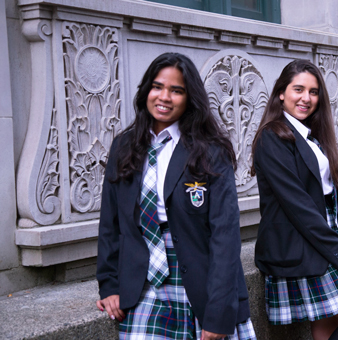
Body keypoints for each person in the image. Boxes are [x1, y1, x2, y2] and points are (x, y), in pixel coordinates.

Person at [96, 52, 256, 340]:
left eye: (177, 90)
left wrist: (218, 313)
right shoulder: (123, 146)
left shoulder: (211, 150)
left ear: (189, 97)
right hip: (144, 284)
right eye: (157, 87)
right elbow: (111, 224)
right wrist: (109, 285)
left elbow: (225, 234)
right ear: (146, 90)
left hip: (203, 281)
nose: (164, 97)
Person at [252, 59, 338, 340]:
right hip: (300, 248)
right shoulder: (271, 137)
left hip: (324, 242)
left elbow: (336, 203)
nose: (306, 98)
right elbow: (297, 204)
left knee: (326, 329)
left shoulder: (314, 137)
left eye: (313, 91)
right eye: (298, 89)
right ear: (281, 93)